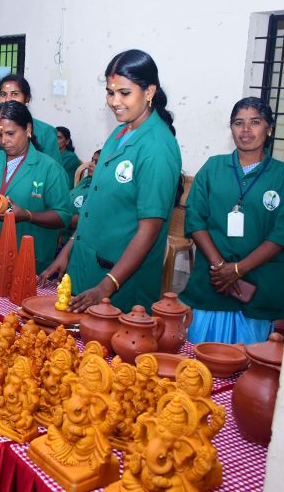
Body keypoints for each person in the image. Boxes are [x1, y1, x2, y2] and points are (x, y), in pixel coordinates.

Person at [40, 49, 181, 313]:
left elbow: (149, 231)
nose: (114, 101)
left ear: (149, 92)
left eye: (124, 93)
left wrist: (107, 285)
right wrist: (68, 251)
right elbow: (95, 207)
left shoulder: (157, 148)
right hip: (86, 267)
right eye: (110, 92)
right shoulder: (118, 134)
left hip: (119, 284)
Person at [181, 97, 284, 344]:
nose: (246, 130)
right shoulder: (212, 168)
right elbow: (195, 218)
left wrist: (237, 270)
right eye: (238, 123)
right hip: (212, 283)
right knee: (199, 358)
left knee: (249, 362)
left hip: (259, 285)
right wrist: (220, 266)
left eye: (255, 122)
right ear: (231, 128)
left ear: (269, 128)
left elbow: (283, 233)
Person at [0, 101, 73, 271]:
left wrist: (27, 215)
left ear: (28, 129)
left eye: (10, 133)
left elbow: (63, 216)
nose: (4, 141)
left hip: (27, 260)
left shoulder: (50, 169)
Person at [0, 74, 62, 166]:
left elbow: (53, 170)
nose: (8, 99)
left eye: (15, 94)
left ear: (27, 98)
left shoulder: (46, 132)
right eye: (3, 94)